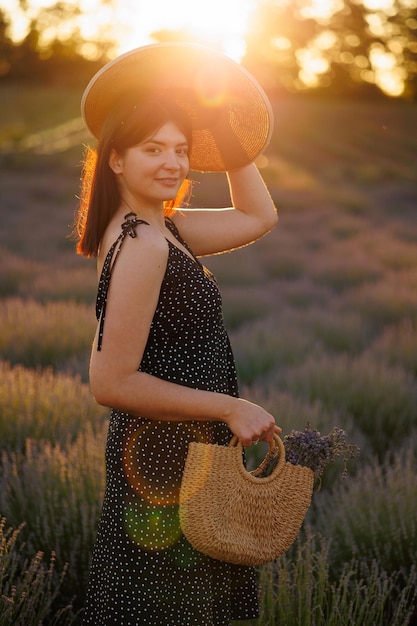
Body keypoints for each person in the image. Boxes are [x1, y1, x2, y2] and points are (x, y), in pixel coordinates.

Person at [76, 43, 281, 626]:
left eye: (182, 149)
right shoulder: (141, 243)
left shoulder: (165, 228)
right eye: (152, 149)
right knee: (169, 605)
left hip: (186, 453)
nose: (173, 163)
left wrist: (225, 131)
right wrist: (229, 407)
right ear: (116, 160)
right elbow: (110, 382)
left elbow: (258, 217)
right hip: (165, 460)